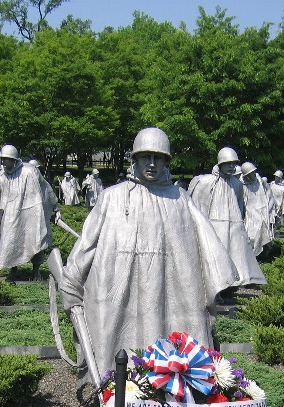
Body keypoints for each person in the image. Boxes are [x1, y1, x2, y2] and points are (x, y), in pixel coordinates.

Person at [59, 127, 238, 378]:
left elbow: (209, 253)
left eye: (158, 157)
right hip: (120, 295)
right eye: (146, 157)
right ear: (135, 159)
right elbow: (87, 245)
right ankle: (115, 392)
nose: (152, 163)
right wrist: (71, 282)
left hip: (171, 297)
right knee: (116, 355)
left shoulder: (181, 200)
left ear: (166, 161)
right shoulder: (112, 197)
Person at [188, 147, 266, 289]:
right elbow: (199, 204)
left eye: (234, 164)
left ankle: (234, 283)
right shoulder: (208, 182)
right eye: (228, 163)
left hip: (234, 224)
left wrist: (240, 223)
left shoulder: (237, 184)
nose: (231, 167)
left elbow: (239, 204)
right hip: (215, 224)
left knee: (236, 254)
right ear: (220, 164)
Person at [0, 144, 59, 281]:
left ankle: (36, 270)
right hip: (9, 216)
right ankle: (13, 270)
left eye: (6, 159)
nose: (3, 162)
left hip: (30, 213)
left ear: (14, 159)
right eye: (2, 159)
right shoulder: (1, 175)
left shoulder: (29, 172)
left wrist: (55, 207)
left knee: (35, 240)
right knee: (9, 241)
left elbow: (45, 189)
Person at [239, 162, 272, 256]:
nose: (253, 175)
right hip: (250, 213)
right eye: (250, 173)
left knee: (264, 234)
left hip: (262, 212)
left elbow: (269, 194)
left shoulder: (261, 182)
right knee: (251, 235)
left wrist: (268, 209)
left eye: (253, 172)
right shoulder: (241, 185)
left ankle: (265, 254)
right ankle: (253, 255)